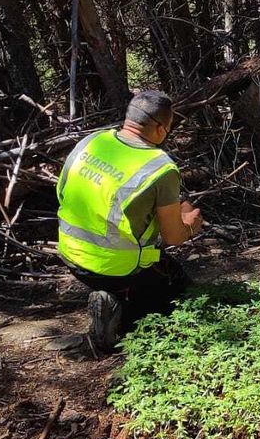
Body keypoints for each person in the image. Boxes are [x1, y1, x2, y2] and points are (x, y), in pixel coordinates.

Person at [56, 90, 203, 351]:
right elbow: (174, 237)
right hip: (118, 268)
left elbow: (62, 192)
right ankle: (118, 313)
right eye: (168, 129)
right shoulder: (159, 167)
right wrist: (191, 223)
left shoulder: (91, 142)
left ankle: (113, 299)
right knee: (180, 293)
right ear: (159, 128)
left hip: (72, 256)